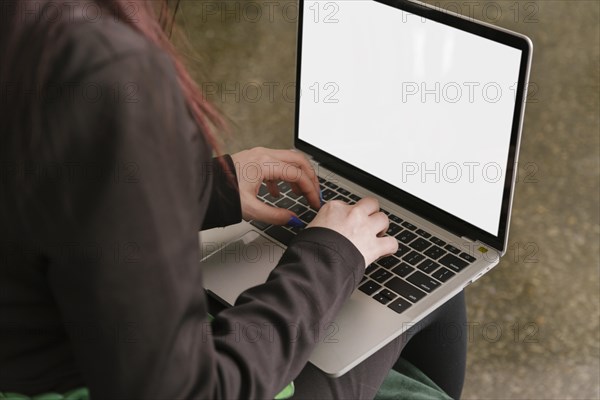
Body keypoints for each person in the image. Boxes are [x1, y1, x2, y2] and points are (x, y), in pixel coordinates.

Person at [0, 1, 467, 398]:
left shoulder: (30, 33)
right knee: (429, 283)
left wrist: (204, 186)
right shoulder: (103, 69)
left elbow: (50, 191)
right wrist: (331, 259)